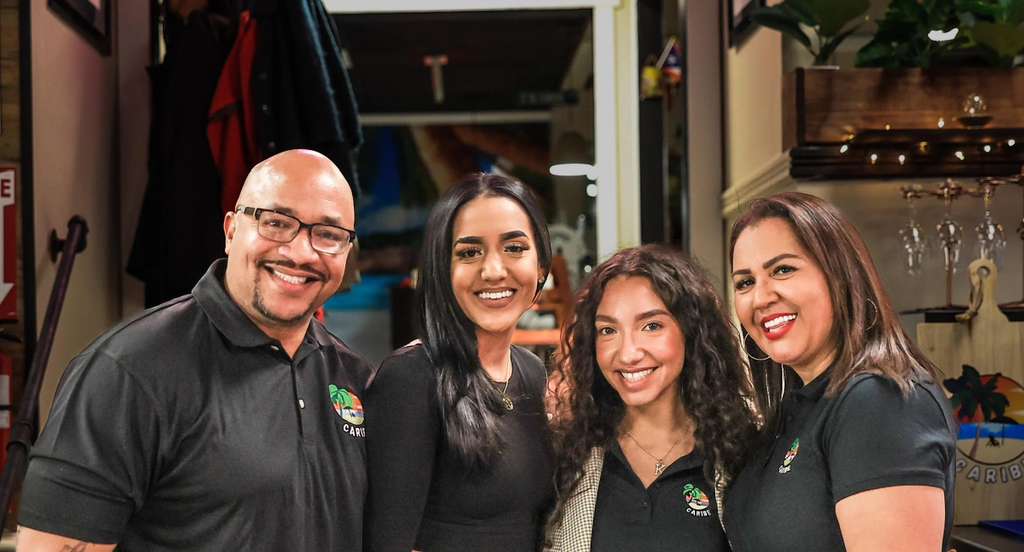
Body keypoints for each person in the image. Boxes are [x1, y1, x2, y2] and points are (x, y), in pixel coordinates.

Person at [17, 149, 370, 551]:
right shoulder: (127, 370)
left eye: (329, 235)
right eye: (276, 223)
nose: (301, 252)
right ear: (232, 230)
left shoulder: (353, 377)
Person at [725, 192, 956, 552]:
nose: (761, 297)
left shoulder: (879, 403)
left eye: (782, 270)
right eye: (745, 282)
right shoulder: (796, 409)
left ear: (840, 276)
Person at [364, 173, 554, 552]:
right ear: (441, 270)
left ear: (542, 265)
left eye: (514, 248)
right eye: (469, 252)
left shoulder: (532, 373)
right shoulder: (411, 378)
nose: (494, 270)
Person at [545, 245, 756, 552]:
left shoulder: (745, 450)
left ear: (690, 331)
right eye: (608, 330)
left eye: (651, 326)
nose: (628, 353)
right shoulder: (569, 456)